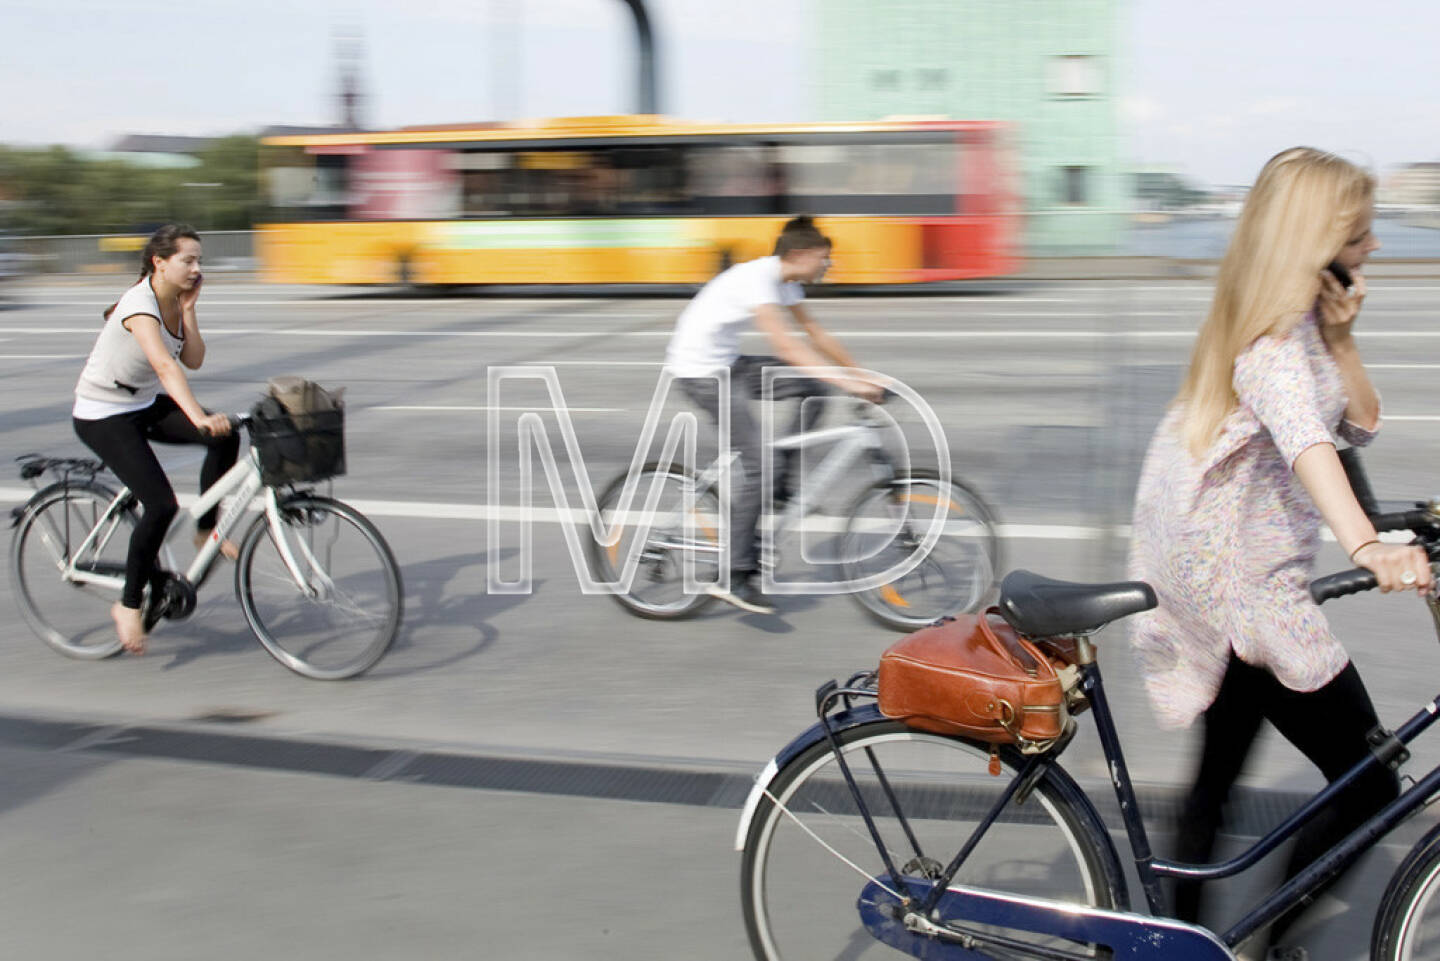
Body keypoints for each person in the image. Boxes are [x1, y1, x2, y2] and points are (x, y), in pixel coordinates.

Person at [1127, 148, 1433, 960]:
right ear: (1319, 235)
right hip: (1244, 587)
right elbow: (1307, 442)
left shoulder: (1301, 323)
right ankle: (1264, 941)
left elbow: (1355, 426)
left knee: (1216, 775)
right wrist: (1368, 545)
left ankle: (1180, 938)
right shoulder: (1268, 339)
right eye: (1360, 233)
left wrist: (1346, 338)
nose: (1373, 246)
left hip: (1228, 575)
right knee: (1371, 780)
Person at [664, 216, 883, 614]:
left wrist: (859, 373)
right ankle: (735, 574)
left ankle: (780, 486)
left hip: (729, 364)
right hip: (700, 373)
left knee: (813, 390)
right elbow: (787, 348)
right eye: (824, 258)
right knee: (758, 466)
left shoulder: (788, 283)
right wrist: (850, 385)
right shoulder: (758, 279)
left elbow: (816, 334)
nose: (828, 265)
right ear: (799, 255)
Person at [73, 224, 238, 655]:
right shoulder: (139, 304)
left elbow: (195, 360)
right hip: (103, 414)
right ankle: (128, 605)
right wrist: (197, 415)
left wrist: (189, 310)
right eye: (188, 260)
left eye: (199, 260)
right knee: (161, 504)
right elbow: (167, 367)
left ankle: (205, 531)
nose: (196, 268)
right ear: (159, 263)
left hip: (141, 405)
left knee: (226, 437)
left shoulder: (174, 300)